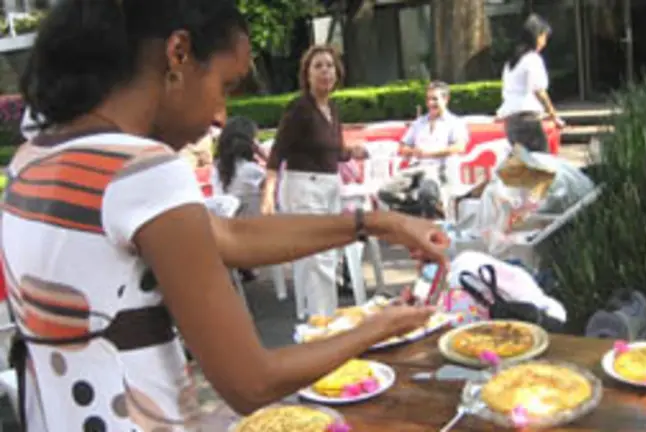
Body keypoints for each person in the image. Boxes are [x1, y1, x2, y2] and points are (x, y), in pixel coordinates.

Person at [3, 1, 447, 430]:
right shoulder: (140, 168)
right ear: (178, 54)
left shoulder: (34, 157)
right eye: (225, 87)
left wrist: (377, 223)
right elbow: (252, 382)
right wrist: (381, 326)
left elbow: (227, 235)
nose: (220, 117)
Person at [261, 45, 368, 317]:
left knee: (328, 255)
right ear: (306, 74)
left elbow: (332, 150)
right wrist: (268, 194)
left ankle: (324, 318)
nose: (325, 72)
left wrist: (351, 152)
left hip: (330, 185)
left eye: (329, 66)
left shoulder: (332, 108)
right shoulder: (299, 108)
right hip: (303, 187)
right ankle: (322, 322)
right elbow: (278, 152)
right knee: (318, 259)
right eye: (318, 66)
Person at [377, 81, 469, 219]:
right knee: (385, 192)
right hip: (416, 168)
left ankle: (431, 218)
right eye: (428, 99)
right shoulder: (419, 123)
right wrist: (414, 151)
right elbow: (402, 147)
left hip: (438, 168)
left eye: (435, 99)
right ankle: (418, 210)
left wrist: (431, 153)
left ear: (446, 99)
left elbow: (459, 147)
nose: (430, 103)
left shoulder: (454, 123)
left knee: (427, 192)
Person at [495, 14, 563, 152]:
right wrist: (554, 115)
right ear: (537, 37)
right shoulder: (533, 59)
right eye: (544, 37)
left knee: (523, 166)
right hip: (528, 120)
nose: (545, 42)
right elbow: (539, 91)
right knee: (540, 164)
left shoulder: (511, 62)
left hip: (511, 122)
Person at [212, 116, 265, 216]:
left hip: (230, 223)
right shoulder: (250, 170)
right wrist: (265, 155)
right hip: (253, 223)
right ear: (251, 142)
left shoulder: (217, 167)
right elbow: (278, 188)